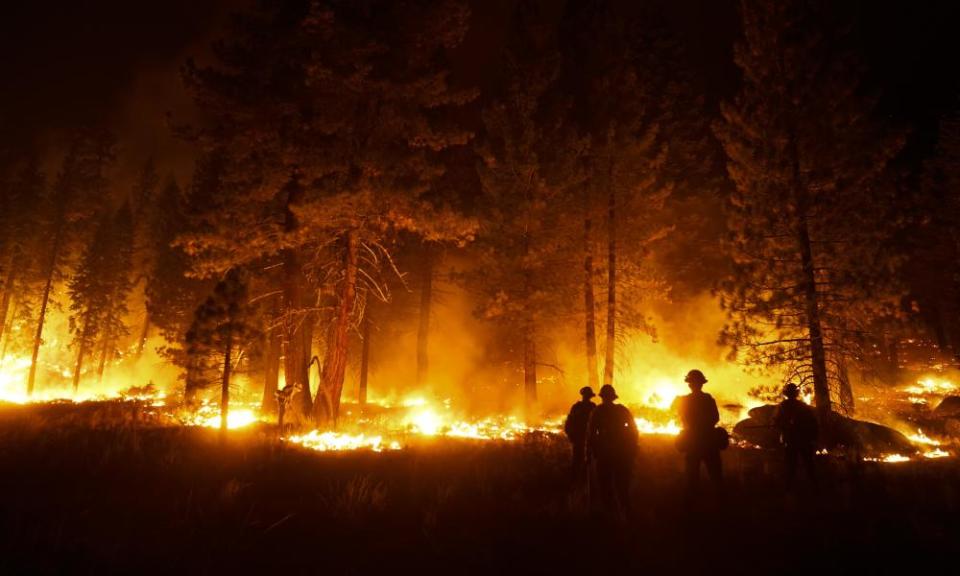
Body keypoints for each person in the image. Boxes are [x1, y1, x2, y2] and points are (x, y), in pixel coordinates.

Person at [585, 384, 639, 517]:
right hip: (618, 454)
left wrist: (590, 451)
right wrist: (632, 449)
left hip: (607, 454)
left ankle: (612, 512)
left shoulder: (598, 411)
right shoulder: (621, 410)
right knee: (620, 484)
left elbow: (591, 434)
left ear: (603, 397)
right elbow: (634, 431)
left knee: (607, 485)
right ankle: (623, 511)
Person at [673, 369, 722, 496]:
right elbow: (715, 418)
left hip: (693, 443)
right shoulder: (708, 399)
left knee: (691, 478)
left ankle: (691, 508)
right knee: (716, 477)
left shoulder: (684, 401)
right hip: (709, 441)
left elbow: (681, 418)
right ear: (702, 384)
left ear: (689, 385)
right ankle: (721, 505)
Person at [773, 383, 818, 488]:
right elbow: (813, 422)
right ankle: (813, 485)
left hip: (792, 440)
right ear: (796, 393)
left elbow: (776, 422)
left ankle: (790, 486)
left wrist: (784, 427)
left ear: (786, 393)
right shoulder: (802, 406)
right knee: (808, 464)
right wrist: (813, 438)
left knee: (791, 465)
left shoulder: (783, 407)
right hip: (802, 440)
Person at [563, 386, 596, 483]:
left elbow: (596, 423)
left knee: (586, 461)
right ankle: (577, 480)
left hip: (587, 439)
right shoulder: (580, 407)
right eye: (586, 395)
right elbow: (569, 422)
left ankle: (582, 480)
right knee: (578, 460)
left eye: (588, 395)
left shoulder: (592, 407)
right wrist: (571, 435)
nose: (586, 397)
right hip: (579, 438)